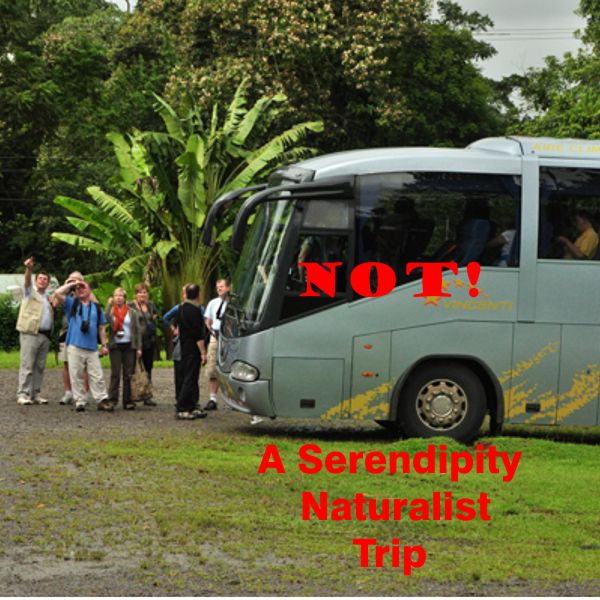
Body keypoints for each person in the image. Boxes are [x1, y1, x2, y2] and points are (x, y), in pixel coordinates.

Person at [53, 280, 111, 412]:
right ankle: (80, 401)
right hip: (74, 345)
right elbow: (57, 293)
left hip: (92, 347)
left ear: (89, 290)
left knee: (97, 375)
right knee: (76, 374)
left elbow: (101, 328)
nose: (80, 289)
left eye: (83, 287)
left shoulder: (96, 307)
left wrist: (104, 345)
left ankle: (102, 399)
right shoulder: (72, 303)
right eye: (77, 289)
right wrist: (73, 284)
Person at [15, 257, 54, 405]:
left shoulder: (48, 297)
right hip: (30, 333)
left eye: (45, 279)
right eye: (41, 278)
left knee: (40, 366)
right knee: (27, 364)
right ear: (36, 280)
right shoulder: (30, 292)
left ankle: (35, 393)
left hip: (45, 335)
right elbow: (26, 282)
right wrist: (29, 269)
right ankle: (23, 393)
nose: (43, 281)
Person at [54, 271, 91, 405]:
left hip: (83, 334)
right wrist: (67, 286)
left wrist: (82, 287)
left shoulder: (86, 294)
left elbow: (96, 304)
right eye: (72, 281)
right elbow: (54, 302)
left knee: (84, 365)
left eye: (78, 281)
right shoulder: (66, 295)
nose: (76, 284)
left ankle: (84, 393)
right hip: (66, 333)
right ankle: (68, 391)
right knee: (66, 364)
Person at [106, 288, 143, 410]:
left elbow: (137, 330)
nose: (118, 298)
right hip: (115, 345)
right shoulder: (111, 311)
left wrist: (138, 347)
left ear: (125, 298)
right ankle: (112, 399)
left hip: (129, 345)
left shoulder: (132, 312)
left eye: (121, 295)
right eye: (116, 295)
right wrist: (108, 305)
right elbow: (105, 320)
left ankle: (128, 400)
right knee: (115, 373)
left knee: (128, 374)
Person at [175, 283, 207, 420]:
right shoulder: (194, 310)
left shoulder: (181, 308)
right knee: (190, 377)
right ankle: (182, 407)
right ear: (198, 294)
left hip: (183, 346)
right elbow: (197, 334)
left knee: (189, 377)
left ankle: (191, 406)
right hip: (192, 348)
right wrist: (203, 352)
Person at [203, 279, 230, 410]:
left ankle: (232, 399)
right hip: (215, 335)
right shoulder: (213, 303)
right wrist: (211, 330)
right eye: (218, 287)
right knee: (212, 366)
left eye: (222, 286)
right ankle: (212, 398)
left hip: (230, 337)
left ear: (228, 288)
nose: (219, 289)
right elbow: (208, 320)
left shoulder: (233, 303)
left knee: (230, 366)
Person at [130, 283, 158, 406]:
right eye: (140, 292)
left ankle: (147, 395)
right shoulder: (130, 305)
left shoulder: (151, 305)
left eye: (145, 292)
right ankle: (133, 395)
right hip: (135, 341)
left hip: (149, 341)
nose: (143, 294)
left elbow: (155, 316)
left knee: (148, 367)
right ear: (135, 294)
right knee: (133, 368)